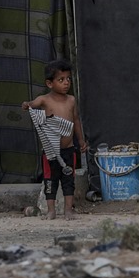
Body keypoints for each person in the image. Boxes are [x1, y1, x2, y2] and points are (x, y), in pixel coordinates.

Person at [21, 59, 88, 220]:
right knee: (50, 180)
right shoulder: (45, 100)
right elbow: (33, 103)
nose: (66, 83)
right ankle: (51, 211)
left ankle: (68, 210)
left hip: (69, 149)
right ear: (49, 83)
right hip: (50, 151)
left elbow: (76, 120)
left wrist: (81, 141)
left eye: (68, 79)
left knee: (68, 180)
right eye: (61, 80)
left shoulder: (71, 100)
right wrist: (27, 104)